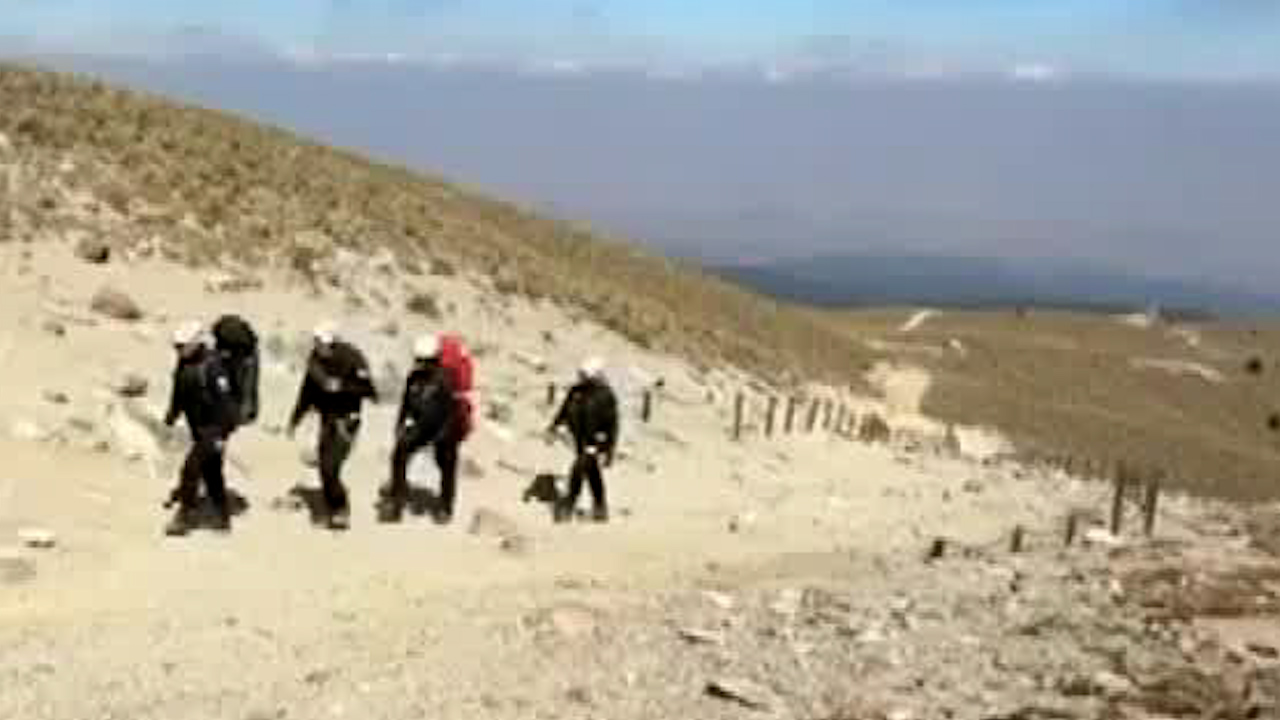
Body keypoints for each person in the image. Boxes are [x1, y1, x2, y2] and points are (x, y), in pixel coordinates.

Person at [287, 321, 378, 530]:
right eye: (317, 342)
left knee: (330, 467)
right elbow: (307, 392)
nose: (320, 347)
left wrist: (342, 387)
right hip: (327, 419)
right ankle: (331, 508)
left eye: (323, 343)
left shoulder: (352, 358)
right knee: (324, 468)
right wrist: (295, 419)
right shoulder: (315, 361)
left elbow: (370, 392)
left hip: (347, 420)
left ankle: (340, 509)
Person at [163, 321, 239, 535]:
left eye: (182, 346)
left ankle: (185, 517)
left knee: (190, 470)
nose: (178, 350)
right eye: (176, 346)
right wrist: (171, 416)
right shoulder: (184, 364)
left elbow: (226, 405)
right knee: (212, 473)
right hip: (198, 428)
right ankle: (222, 517)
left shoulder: (213, 366)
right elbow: (179, 391)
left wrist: (222, 435)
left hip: (213, 429)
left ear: (195, 344)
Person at [380, 334, 465, 524]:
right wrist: (400, 425)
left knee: (447, 466)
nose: (417, 363)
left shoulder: (447, 379)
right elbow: (406, 403)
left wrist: (441, 437)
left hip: (445, 430)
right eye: (417, 359)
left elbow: (452, 412)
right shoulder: (414, 377)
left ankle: (445, 507)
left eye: (421, 360)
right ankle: (396, 503)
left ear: (433, 360)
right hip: (421, 426)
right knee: (399, 454)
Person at [546, 356, 619, 523]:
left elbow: (613, 423)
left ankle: (568, 505)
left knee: (579, 468)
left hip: (596, 440)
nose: (582, 377)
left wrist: (609, 449)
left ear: (595, 375)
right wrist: (553, 427)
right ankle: (601, 507)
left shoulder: (606, 395)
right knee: (592, 472)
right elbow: (564, 410)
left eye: (585, 375)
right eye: (581, 374)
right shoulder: (576, 391)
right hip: (580, 437)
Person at [211, 313, 260, 430]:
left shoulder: (246, 350)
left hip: (243, 357)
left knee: (243, 385)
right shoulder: (225, 340)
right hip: (238, 357)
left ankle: (241, 415)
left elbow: (248, 385)